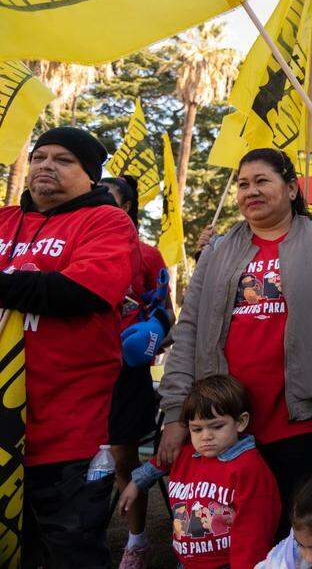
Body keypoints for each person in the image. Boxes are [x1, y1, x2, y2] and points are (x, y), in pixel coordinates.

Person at [158, 148, 312, 527]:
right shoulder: (217, 251)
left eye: (261, 181)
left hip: (302, 420)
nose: (250, 191)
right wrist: (175, 412)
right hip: (224, 424)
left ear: (291, 188)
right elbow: (187, 328)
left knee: (300, 530)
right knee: (236, 533)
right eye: (242, 184)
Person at [0, 127, 142, 567]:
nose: (45, 165)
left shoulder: (107, 221)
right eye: (39, 156)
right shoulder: (4, 219)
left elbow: (79, 291)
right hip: (4, 434)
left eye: (63, 160)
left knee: (70, 555)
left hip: (69, 439)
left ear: (90, 176)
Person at [121, 375, 281, 568]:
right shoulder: (187, 454)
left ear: (241, 422)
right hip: (186, 562)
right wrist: (136, 483)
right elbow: (161, 462)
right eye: (196, 429)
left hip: (225, 563)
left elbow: (254, 533)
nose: (206, 436)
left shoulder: (249, 468)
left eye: (217, 426)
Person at [99, 174, 173, 569]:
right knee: (70, 462)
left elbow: (169, 318)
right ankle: (71, 535)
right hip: (75, 371)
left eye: (106, 194)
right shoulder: (73, 246)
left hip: (125, 376)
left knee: (122, 460)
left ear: (126, 206)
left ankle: (137, 541)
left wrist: (151, 333)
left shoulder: (146, 255)